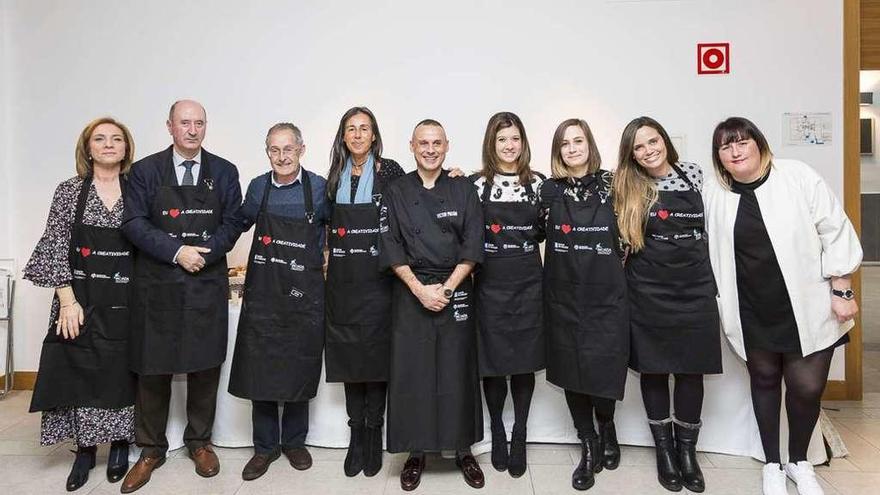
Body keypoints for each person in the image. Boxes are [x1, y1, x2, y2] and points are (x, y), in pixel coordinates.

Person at [704, 117, 861, 495]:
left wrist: (842, 289)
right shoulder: (715, 192)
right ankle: (772, 464)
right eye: (726, 147)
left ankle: (800, 462)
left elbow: (833, 228)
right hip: (751, 307)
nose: (736, 151)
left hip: (806, 304)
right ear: (719, 158)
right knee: (765, 382)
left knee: (806, 387)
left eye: (742, 142)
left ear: (759, 143)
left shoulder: (797, 176)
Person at [120, 100, 242, 493]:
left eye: (199, 123)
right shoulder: (144, 171)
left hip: (205, 282)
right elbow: (134, 223)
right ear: (169, 127)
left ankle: (199, 443)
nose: (192, 130)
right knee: (152, 368)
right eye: (184, 123)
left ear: (206, 127)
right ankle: (151, 449)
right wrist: (177, 252)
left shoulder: (224, 171)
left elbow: (233, 223)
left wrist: (202, 254)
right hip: (157, 285)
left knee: (204, 368)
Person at [25, 117, 137, 492]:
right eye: (100, 139)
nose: (108, 144)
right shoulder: (69, 191)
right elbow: (56, 244)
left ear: (126, 147)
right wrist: (67, 299)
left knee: (122, 371)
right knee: (81, 369)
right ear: (87, 148)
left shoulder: (139, 189)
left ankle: (121, 445)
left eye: (116, 139)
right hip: (77, 298)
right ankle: (85, 450)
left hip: (126, 299)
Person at [613, 116, 722, 493]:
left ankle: (687, 451)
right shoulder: (625, 185)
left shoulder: (694, 175)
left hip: (694, 289)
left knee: (692, 372)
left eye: (652, 141)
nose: (647, 151)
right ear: (631, 154)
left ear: (664, 140)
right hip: (647, 292)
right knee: (655, 371)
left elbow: (720, 226)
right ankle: (664, 451)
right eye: (638, 147)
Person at [380, 119, 485, 491]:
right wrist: (420, 289)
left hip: (455, 288)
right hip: (410, 290)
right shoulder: (396, 190)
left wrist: (446, 288)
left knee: (457, 370)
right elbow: (390, 244)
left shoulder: (463, 188)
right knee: (414, 373)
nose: (430, 149)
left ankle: (462, 449)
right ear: (411, 146)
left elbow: (474, 243)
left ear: (447, 145)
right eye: (423, 143)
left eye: (436, 143)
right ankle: (416, 452)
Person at [228, 122, 330, 481]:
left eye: (289, 149)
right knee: (261, 367)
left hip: (304, 294)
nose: (282, 156)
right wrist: (199, 245)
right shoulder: (258, 188)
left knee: (300, 364)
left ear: (302, 149)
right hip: (265, 295)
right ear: (267, 151)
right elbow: (236, 223)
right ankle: (265, 447)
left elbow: (336, 228)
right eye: (275, 150)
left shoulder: (318, 187)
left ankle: (295, 442)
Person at [541, 118, 629, 491]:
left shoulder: (614, 183)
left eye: (578, 141)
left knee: (604, 366)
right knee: (571, 367)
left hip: (606, 293)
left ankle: (607, 425)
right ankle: (588, 443)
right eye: (565, 143)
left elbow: (630, 232)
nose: (572, 148)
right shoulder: (547, 190)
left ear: (590, 145)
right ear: (558, 151)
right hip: (562, 295)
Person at [324, 107, 405, 478]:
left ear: (374, 136)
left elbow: (410, 209)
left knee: (375, 360)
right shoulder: (335, 174)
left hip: (379, 282)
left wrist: (456, 176)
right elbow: (326, 226)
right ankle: (356, 432)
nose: (357, 135)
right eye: (351, 129)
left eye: (364, 129)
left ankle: (374, 431)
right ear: (343, 136)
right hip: (342, 284)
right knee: (348, 361)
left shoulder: (389, 172)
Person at [471, 111, 545, 478]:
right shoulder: (475, 185)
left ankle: (520, 433)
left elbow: (547, 234)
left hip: (529, 285)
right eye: (502, 139)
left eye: (514, 138)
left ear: (523, 142)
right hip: (489, 286)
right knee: (494, 365)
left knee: (524, 363)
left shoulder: (540, 185)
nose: (509, 145)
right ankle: (497, 430)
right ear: (492, 143)